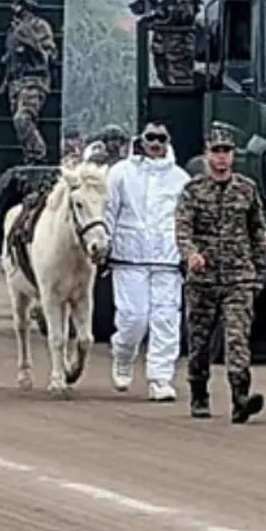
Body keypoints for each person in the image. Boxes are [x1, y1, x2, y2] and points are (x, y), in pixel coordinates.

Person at [174, 123, 266, 422]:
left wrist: (259, 273)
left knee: (237, 339)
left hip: (239, 278)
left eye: (226, 151)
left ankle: (241, 397)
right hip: (203, 279)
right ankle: (199, 392)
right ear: (206, 155)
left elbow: (257, 233)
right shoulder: (192, 191)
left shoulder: (246, 189)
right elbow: (182, 229)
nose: (221, 158)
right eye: (216, 151)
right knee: (200, 343)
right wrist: (191, 255)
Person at [106, 122, 192, 401]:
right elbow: (108, 211)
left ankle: (160, 378)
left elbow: (187, 220)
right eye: (150, 138)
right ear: (141, 141)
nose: (155, 143)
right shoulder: (120, 173)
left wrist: (188, 252)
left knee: (166, 319)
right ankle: (123, 354)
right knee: (134, 318)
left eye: (161, 139)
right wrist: (104, 245)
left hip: (167, 259)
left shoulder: (180, 179)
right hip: (129, 256)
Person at [0, 0, 58, 164]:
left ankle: (38, 156)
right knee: (20, 125)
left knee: (23, 119)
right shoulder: (13, 30)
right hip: (15, 82)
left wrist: (28, 37)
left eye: (18, 4)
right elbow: (10, 61)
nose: (14, 8)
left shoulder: (39, 26)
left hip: (34, 80)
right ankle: (29, 158)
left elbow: (49, 55)